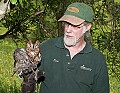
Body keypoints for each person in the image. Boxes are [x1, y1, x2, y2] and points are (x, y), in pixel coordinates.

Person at [39, 2, 110, 93]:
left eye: (75, 26)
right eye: (66, 24)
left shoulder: (97, 59)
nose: (68, 30)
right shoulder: (46, 47)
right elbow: (30, 77)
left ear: (88, 26)